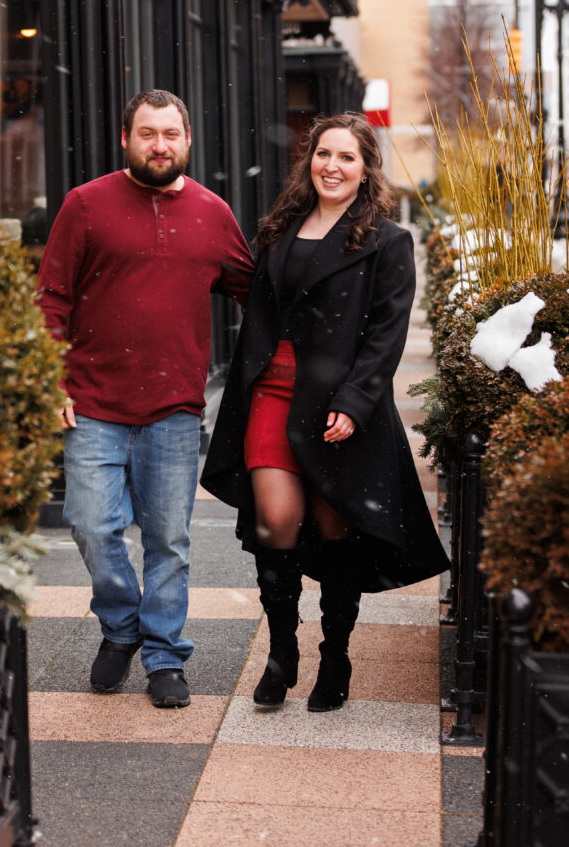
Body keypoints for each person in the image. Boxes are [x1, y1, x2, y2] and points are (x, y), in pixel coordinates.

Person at [201, 112, 450, 712]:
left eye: (345, 158)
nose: (331, 166)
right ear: (308, 160)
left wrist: (355, 403)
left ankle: (334, 654)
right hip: (271, 395)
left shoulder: (388, 242)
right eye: (322, 154)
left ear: (366, 171)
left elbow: (386, 336)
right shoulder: (279, 230)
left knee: (337, 528)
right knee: (275, 522)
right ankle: (281, 653)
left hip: (338, 407)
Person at [37, 89, 253, 708]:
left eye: (170, 134)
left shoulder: (214, 214)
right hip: (92, 404)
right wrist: (49, 377)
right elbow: (51, 298)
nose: (160, 145)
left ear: (188, 141)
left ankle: (163, 655)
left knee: (169, 541)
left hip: (175, 410)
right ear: (126, 139)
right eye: (147, 134)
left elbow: (257, 295)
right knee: (90, 526)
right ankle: (121, 626)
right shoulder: (85, 206)